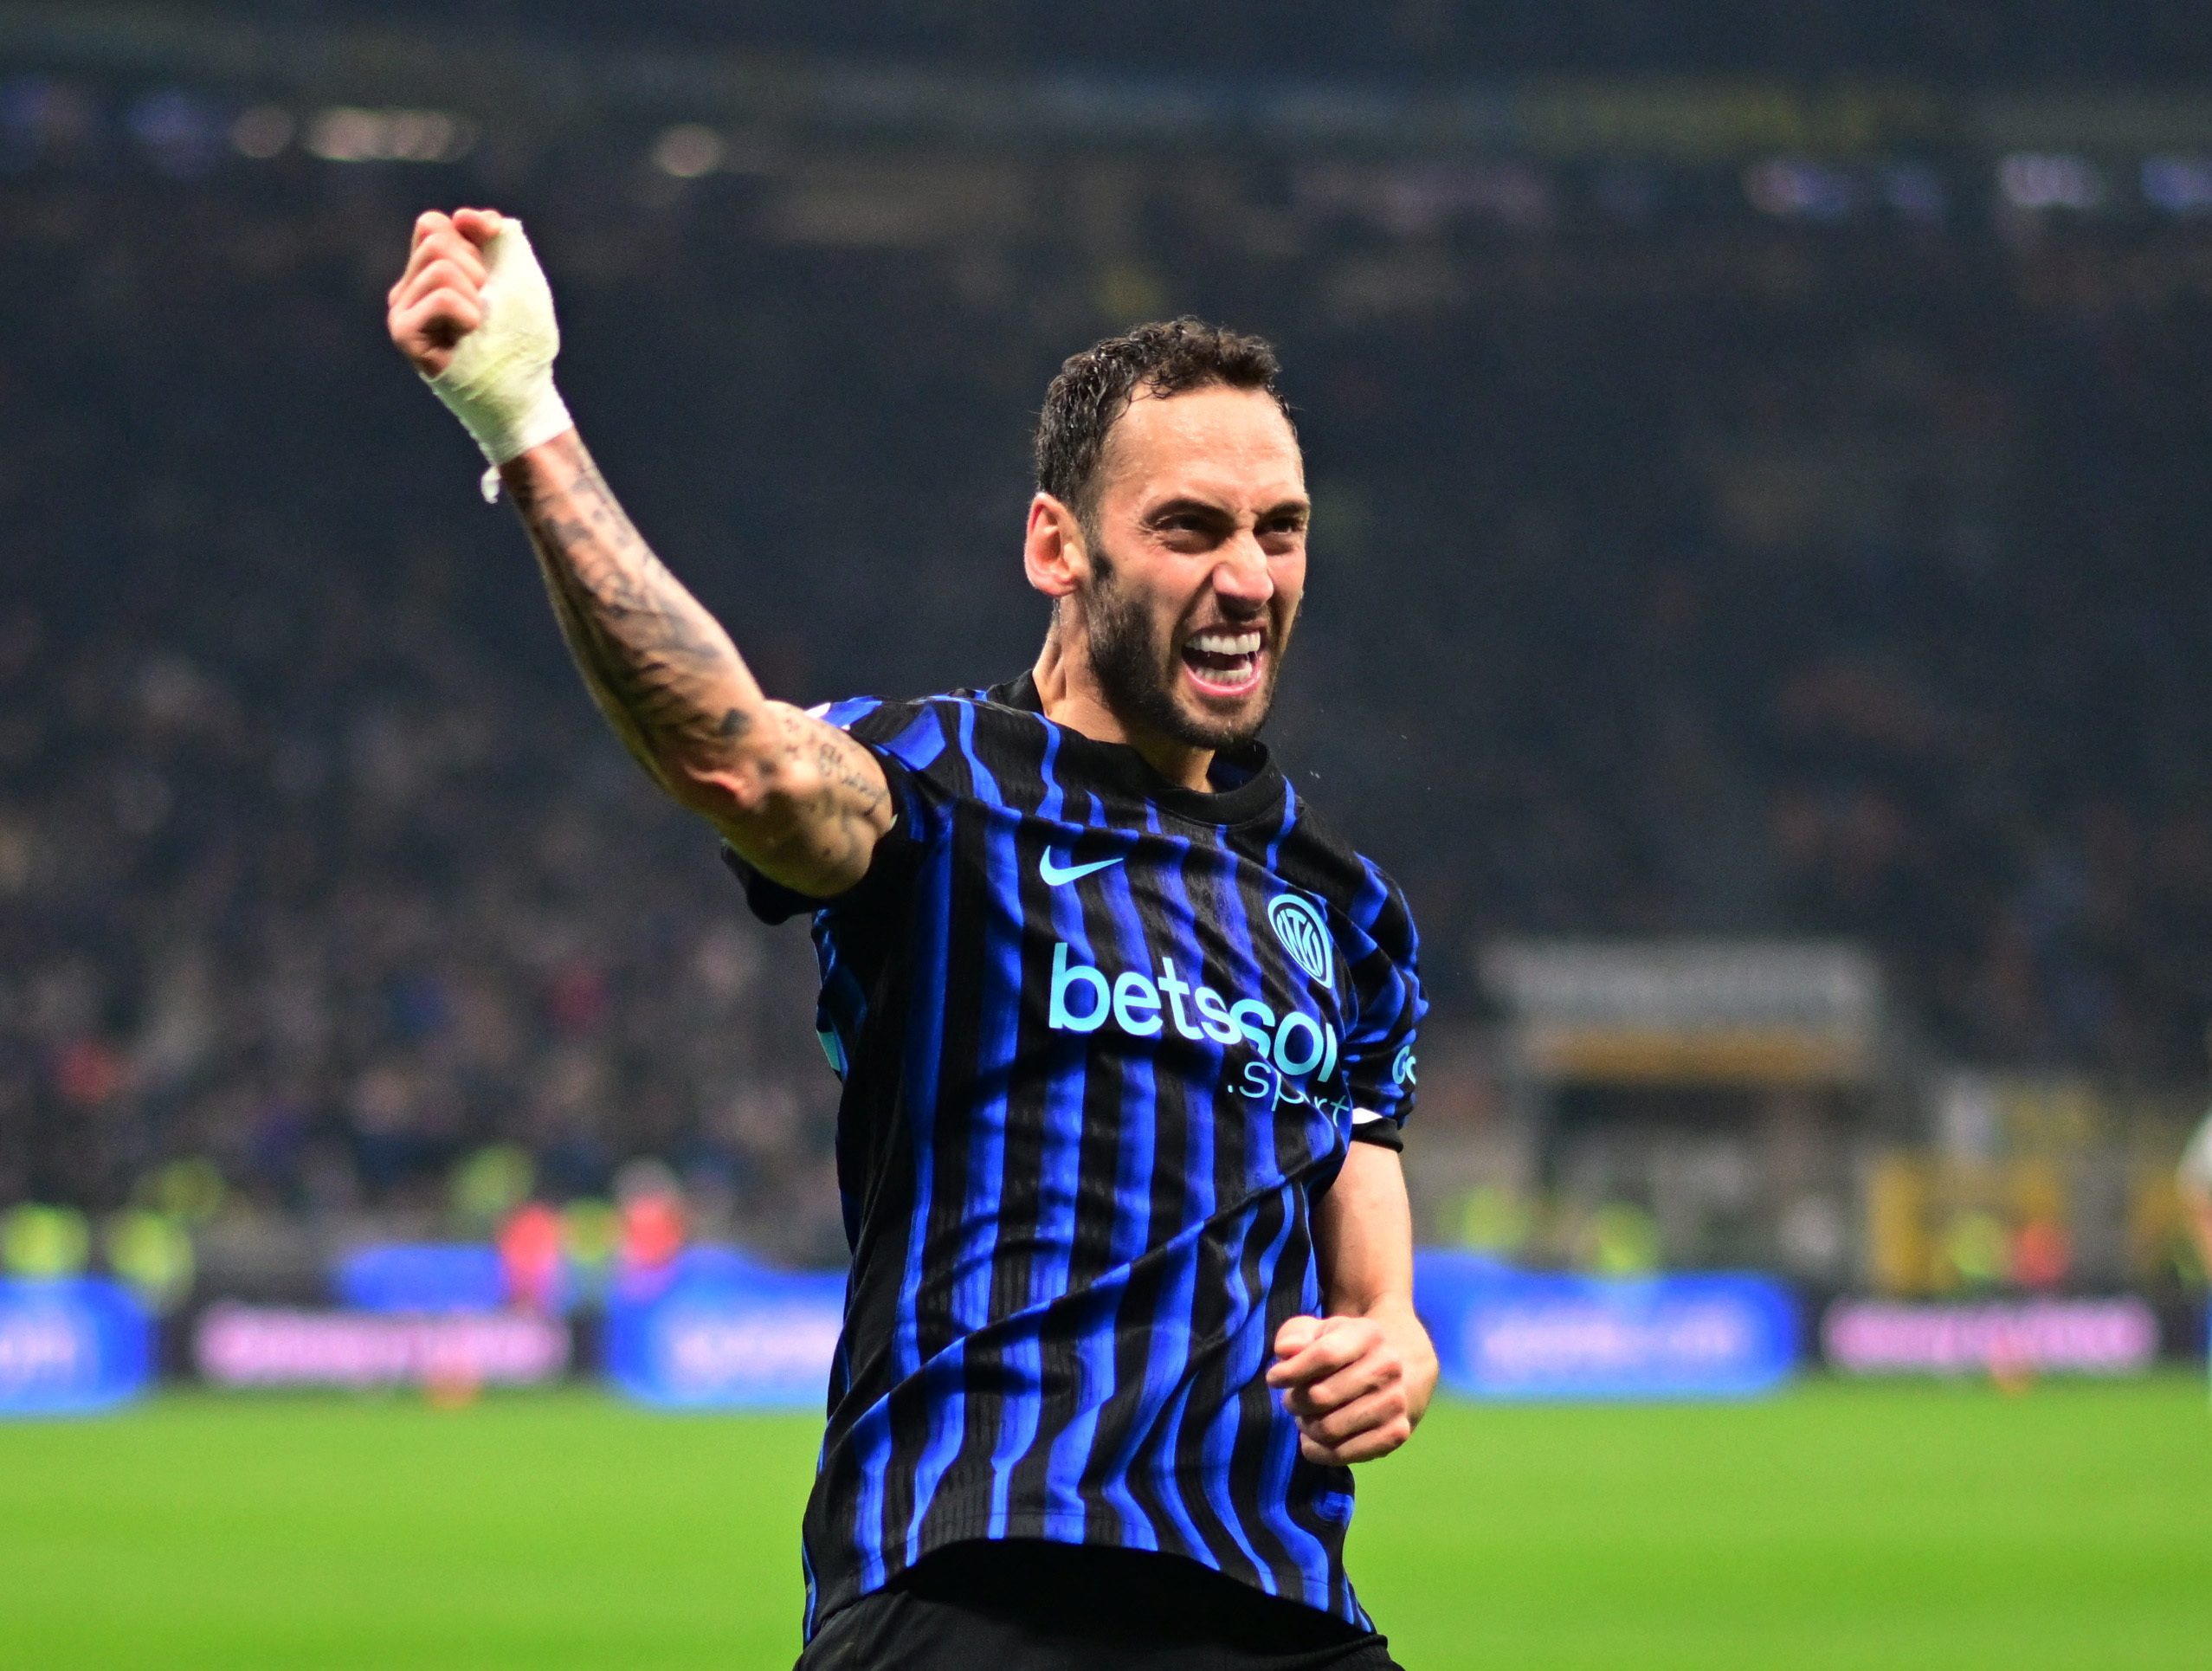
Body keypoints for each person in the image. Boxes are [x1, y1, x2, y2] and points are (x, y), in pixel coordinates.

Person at [388, 208, 1435, 1670]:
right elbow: (740, 763)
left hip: (1277, 1603)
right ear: (1055, 547)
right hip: (976, 1579)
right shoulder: (938, 786)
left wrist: (1395, 1337)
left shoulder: (1347, 910)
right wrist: (522, 412)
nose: (1249, 577)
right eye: (1190, 528)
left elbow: (1365, 1205)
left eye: (1281, 529)